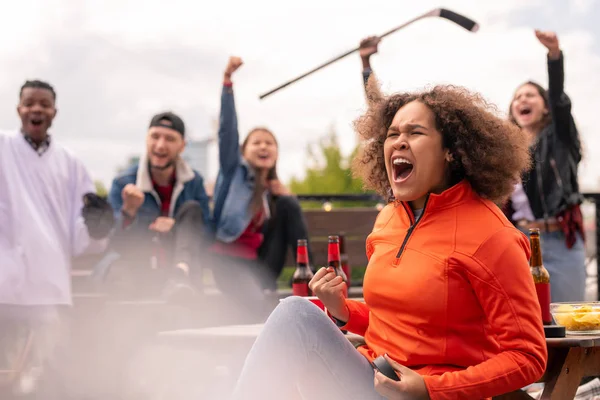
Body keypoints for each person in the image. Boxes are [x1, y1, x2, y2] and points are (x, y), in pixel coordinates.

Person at [230, 84, 547, 399]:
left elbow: (528, 357)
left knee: (294, 315)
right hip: (371, 378)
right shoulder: (388, 220)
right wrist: (342, 309)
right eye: (393, 134)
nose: (399, 143)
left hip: (430, 395)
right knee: (296, 312)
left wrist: (430, 388)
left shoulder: (493, 236)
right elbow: (399, 321)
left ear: (451, 151)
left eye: (415, 133)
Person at [0, 80, 113, 398]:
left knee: (50, 383)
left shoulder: (71, 164)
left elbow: (82, 239)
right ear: (19, 109)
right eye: (29, 103)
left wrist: (98, 230)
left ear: (54, 112)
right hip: (3, 286)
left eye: (44, 104)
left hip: (50, 289)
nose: (37, 109)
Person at [211, 56, 312, 298]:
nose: (263, 147)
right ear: (243, 152)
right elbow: (227, 133)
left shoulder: (273, 193)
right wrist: (227, 83)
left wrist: (286, 197)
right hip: (228, 264)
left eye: (269, 143)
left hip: (260, 266)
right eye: (256, 143)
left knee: (288, 204)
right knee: (258, 306)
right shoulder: (232, 173)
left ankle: (312, 276)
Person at [505, 30, 586, 303]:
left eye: (530, 95)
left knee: (567, 321)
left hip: (560, 240)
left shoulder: (561, 137)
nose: (522, 100)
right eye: (517, 97)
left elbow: (560, 103)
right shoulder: (504, 152)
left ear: (546, 107)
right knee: (524, 324)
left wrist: (554, 56)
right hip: (518, 244)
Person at [107, 111, 211, 300]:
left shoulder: (194, 182)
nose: (160, 145)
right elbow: (115, 243)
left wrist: (176, 229)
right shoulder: (124, 183)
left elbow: (206, 233)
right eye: (155, 137)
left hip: (179, 265)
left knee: (192, 209)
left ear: (182, 146)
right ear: (146, 140)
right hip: (138, 263)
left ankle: (180, 274)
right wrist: (128, 212)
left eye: (170, 139)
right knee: (119, 274)